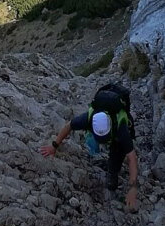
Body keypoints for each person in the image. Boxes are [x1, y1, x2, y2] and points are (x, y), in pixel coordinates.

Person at [40, 82, 139, 212]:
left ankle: (112, 172)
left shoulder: (120, 129)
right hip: (101, 130)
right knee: (92, 144)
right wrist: (54, 146)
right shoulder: (88, 119)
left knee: (115, 161)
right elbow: (69, 126)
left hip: (117, 139)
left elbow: (132, 157)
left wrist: (133, 188)